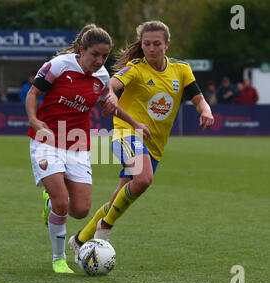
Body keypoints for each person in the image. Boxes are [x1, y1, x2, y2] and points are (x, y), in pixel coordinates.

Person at [67, 20, 214, 263]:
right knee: (144, 178)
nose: (151, 48)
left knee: (118, 199)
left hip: (154, 145)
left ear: (167, 44)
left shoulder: (182, 70)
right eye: (146, 44)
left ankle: (80, 240)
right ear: (141, 44)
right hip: (127, 133)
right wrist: (111, 97)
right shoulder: (135, 68)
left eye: (157, 44)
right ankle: (105, 228)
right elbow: (111, 86)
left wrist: (206, 111)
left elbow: (198, 98)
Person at [26, 24, 150, 274]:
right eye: (95, 54)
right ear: (82, 50)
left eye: (104, 56)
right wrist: (35, 121)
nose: (100, 60)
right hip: (47, 141)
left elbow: (109, 103)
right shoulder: (58, 66)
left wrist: (135, 123)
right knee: (63, 204)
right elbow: (33, 93)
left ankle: (49, 203)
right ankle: (58, 258)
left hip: (79, 145)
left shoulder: (102, 77)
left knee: (81, 211)